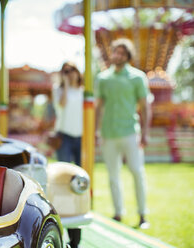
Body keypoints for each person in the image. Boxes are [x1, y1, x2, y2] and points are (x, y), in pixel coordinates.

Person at [95, 38, 151, 229]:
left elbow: (145, 107)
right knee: (113, 176)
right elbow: (98, 107)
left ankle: (143, 215)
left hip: (130, 132)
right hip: (108, 134)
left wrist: (145, 133)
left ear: (127, 56)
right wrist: (96, 131)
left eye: (121, 52)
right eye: (115, 52)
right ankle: (118, 213)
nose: (117, 55)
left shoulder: (137, 77)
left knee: (137, 172)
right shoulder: (103, 78)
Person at [52, 62, 83, 166]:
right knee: (64, 169)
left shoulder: (83, 91)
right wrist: (66, 85)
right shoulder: (58, 89)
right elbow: (62, 104)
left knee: (82, 169)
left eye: (72, 70)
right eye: (66, 71)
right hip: (64, 135)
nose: (70, 73)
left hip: (81, 135)